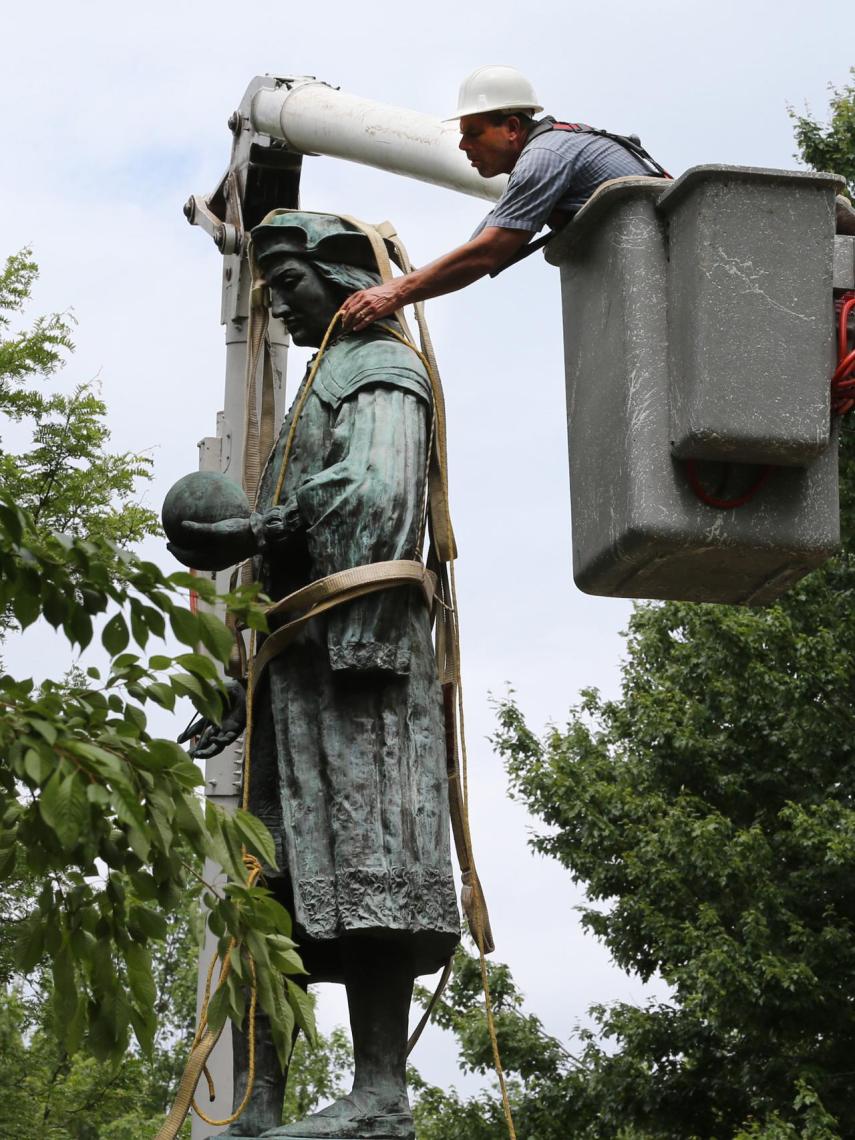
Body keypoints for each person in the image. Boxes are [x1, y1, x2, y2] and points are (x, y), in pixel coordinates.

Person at [174, 212, 460, 1140]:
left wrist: (257, 525)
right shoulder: (318, 384)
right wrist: (238, 679)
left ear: (345, 280)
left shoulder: (380, 368)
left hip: (357, 669)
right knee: (269, 882)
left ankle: (379, 1097)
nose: (280, 303)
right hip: (292, 672)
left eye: (291, 282)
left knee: (369, 861)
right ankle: (258, 1099)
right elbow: (277, 565)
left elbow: (376, 493)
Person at [340, 64, 662, 334]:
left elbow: (486, 253)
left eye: (473, 133)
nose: (463, 145)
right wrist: (394, 285)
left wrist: (395, 292)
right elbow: (476, 248)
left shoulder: (544, 157)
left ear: (511, 128)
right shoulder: (547, 153)